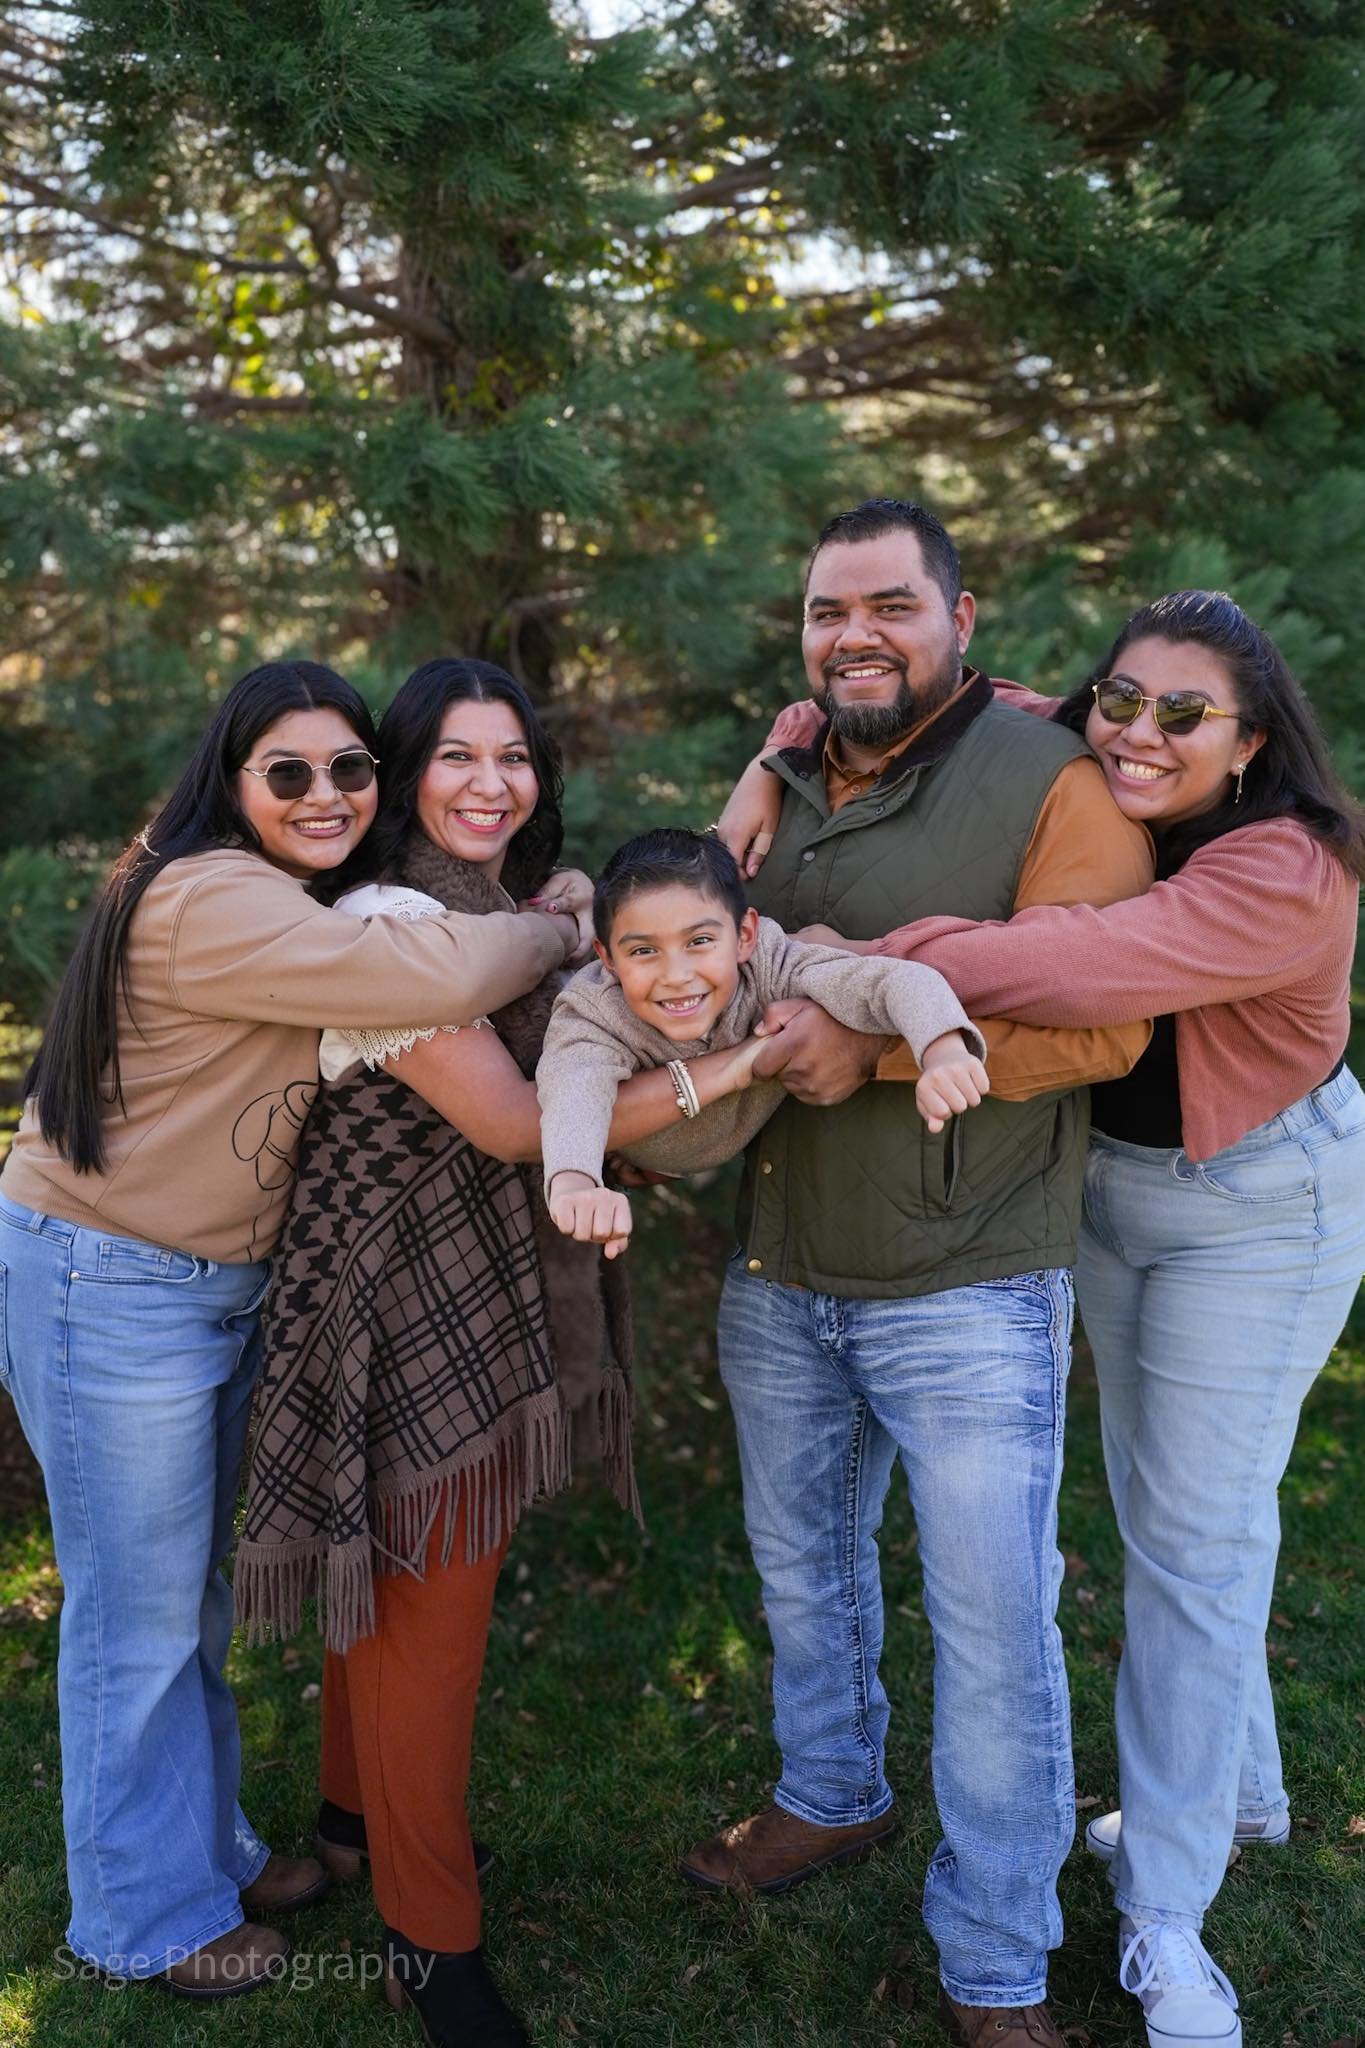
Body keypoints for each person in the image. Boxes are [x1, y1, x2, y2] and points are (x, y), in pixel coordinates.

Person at [730, 588, 1365, 2048]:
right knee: (1174, 1508)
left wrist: (888, 969)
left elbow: (1088, 964)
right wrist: (770, 766)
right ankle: (1245, 1788)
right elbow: (939, 700)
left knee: (1195, 1536)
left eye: (1183, 715)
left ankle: (1165, 1913)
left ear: (1251, 739)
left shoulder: (1288, 864)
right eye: (1119, 701)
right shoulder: (1077, 745)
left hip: (1256, 1200)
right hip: (1112, 1189)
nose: (1140, 735)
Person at [233, 664, 819, 2048]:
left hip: (456, 1281)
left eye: (514, 756)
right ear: (400, 774)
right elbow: (510, 1127)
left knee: (388, 1598)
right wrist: (731, 1069)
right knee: (429, 1617)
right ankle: (431, 1945)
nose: (490, 782)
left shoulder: (510, 914)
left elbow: (610, 966)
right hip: (386, 1299)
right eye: (453, 756)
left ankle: (351, 1821)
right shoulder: (389, 922)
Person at [0, 661, 583, 2000]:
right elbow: (455, 959)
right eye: (291, 773)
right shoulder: (213, 896)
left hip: (193, 1279)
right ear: (230, 778)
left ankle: (204, 1850)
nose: (327, 795)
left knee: (177, 1601)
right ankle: (142, 1919)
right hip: (112, 1281)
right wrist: (559, 929)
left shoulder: (275, 892)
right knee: (136, 1617)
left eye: (349, 771)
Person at [681, 496, 1154, 2047]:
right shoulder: (791, 775)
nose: (855, 634)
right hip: (782, 1263)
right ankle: (830, 1792)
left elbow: (1107, 1026)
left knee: (994, 1624)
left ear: (962, 616)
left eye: (890, 604)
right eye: (827, 610)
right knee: (805, 1576)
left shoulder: (1050, 780)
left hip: (967, 1274)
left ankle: (998, 1951)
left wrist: (876, 1049)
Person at [538, 826, 989, 1257]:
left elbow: (890, 981)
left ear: (744, 936)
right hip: (635, 1154)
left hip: (730, 1143)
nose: (676, 976)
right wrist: (576, 1181)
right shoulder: (594, 1007)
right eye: (643, 951)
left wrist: (943, 1049)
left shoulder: (774, 965)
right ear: (608, 959)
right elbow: (574, 1086)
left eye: (699, 941)